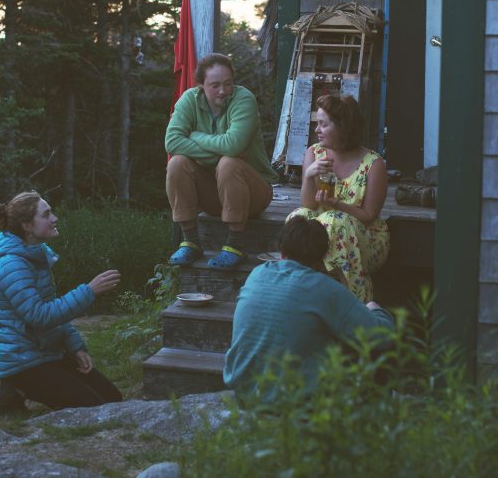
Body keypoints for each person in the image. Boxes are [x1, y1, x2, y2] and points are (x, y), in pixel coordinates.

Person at [223, 216, 394, 402]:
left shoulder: (257, 274)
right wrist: (375, 309)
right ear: (322, 257)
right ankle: (370, 422)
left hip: (245, 394)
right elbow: (380, 337)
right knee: (366, 343)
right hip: (294, 404)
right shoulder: (323, 288)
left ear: (281, 251)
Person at [0, 191, 123, 414]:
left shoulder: (35, 253)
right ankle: (14, 389)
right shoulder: (11, 265)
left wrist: (75, 346)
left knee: (113, 400)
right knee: (96, 409)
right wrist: (88, 292)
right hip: (25, 362)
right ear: (28, 225)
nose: (55, 218)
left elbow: (53, 308)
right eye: (46, 214)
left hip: (48, 353)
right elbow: (39, 315)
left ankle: (18, 389)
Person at [165, 53, 277, 270]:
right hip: (214, 194)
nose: (223, 91)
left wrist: (195, 135)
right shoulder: (189, 99)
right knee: (177, 163)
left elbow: (233, 145)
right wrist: (220, 152)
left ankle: (235, 245)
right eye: (215, 85)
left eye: (228, 83)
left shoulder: (243, 99)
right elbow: (172, 142)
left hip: (254, 192)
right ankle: (190, 241)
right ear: (201, 85)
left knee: (229, 163)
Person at [287, 94, 389, 302]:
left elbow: (369, 216)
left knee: (336, 221)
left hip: (364, 239)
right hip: (324, 232)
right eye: (317, 123)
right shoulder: (314, 153)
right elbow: (308, 205)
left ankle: (354, 302)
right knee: (297, 217)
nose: (316, 130)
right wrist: (309, 176)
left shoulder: (373, 164)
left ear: (343, 127)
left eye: (323, 125)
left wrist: (337, 205)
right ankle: (296, 293)